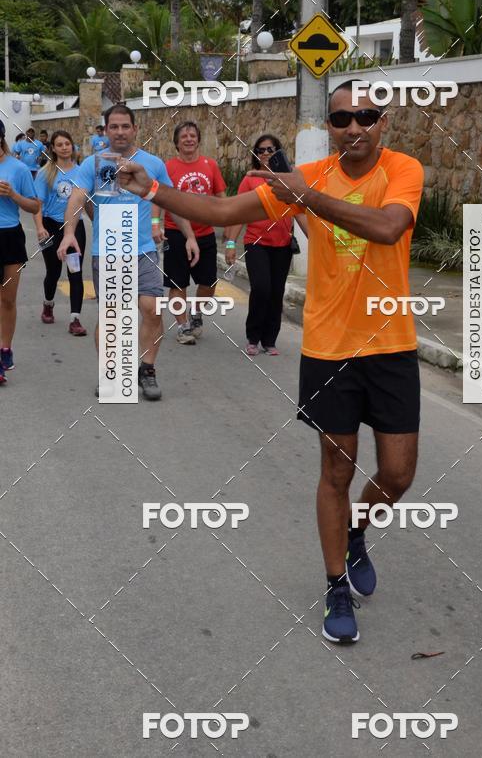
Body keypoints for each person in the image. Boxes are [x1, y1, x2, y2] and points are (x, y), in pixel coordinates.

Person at [117, 80, 424, 643]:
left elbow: (387, 228)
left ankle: (356, 531)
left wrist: (303, 197)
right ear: (329, 128)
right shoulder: (307, 177)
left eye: (366, 115)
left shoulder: (402, 170)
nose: (354, 126)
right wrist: (153, 190)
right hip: (329, 347)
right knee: (336, 470)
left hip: (392, 344)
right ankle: (335, 584)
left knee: (399, 473)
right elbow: (219, 208)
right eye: (341, 119)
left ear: (384, 121)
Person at [57, 104, 199, 400]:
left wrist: (189, 236)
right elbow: (77, 198)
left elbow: (173, 201)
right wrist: (69, 233)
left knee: (151, 309)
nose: (120, 132)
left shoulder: (153, 164)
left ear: (135, 129)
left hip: (144, 250)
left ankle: (146, 370)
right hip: (108, 252)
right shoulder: (92, 164)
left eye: (125, 126)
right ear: (105, 131)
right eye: (114, 127)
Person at [224, 134, 303, 356]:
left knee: (276, 293)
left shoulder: (288, 179)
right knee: (261, 288)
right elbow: (237, 213)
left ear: (278, 152)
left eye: (270, 149)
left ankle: (270, 340)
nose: (265, 154)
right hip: (256, 243)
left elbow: (299, 210)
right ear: (255, 155)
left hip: (283, 245)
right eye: (260, 151)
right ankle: (253, 337)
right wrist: (231, 243)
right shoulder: (250, 180)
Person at [153, 120, 226, 345]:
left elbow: (222, 197)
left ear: (198, 140)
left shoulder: (210, 165)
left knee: (209, 282)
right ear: (177, 142)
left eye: (192, 135)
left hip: (205, 233)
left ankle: (195, 313)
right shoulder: (167, 167)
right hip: (175, 234)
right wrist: (156, 223)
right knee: (178, 284)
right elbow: (158, 196)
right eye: (183, 136)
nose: (188, 139)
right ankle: (183, 326)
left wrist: (225, 221)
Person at [34, 130, 88, 336]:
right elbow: (37, 205)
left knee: (75, 272)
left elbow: (88, 202)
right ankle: (48, 304)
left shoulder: (82, 172)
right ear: (53, 149)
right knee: (53, 272)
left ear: (72, 146)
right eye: (60, 144)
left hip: (74, 228)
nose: (65, 147)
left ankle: (75, 319)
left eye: (67, 143)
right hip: (50, 227)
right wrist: (40, 228)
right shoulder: (45, 173)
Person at [0, 118, 40, 385]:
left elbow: (35, 206)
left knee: (8, 300)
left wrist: (13, 195)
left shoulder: (19, 169)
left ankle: (5, 349)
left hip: (10, 236)